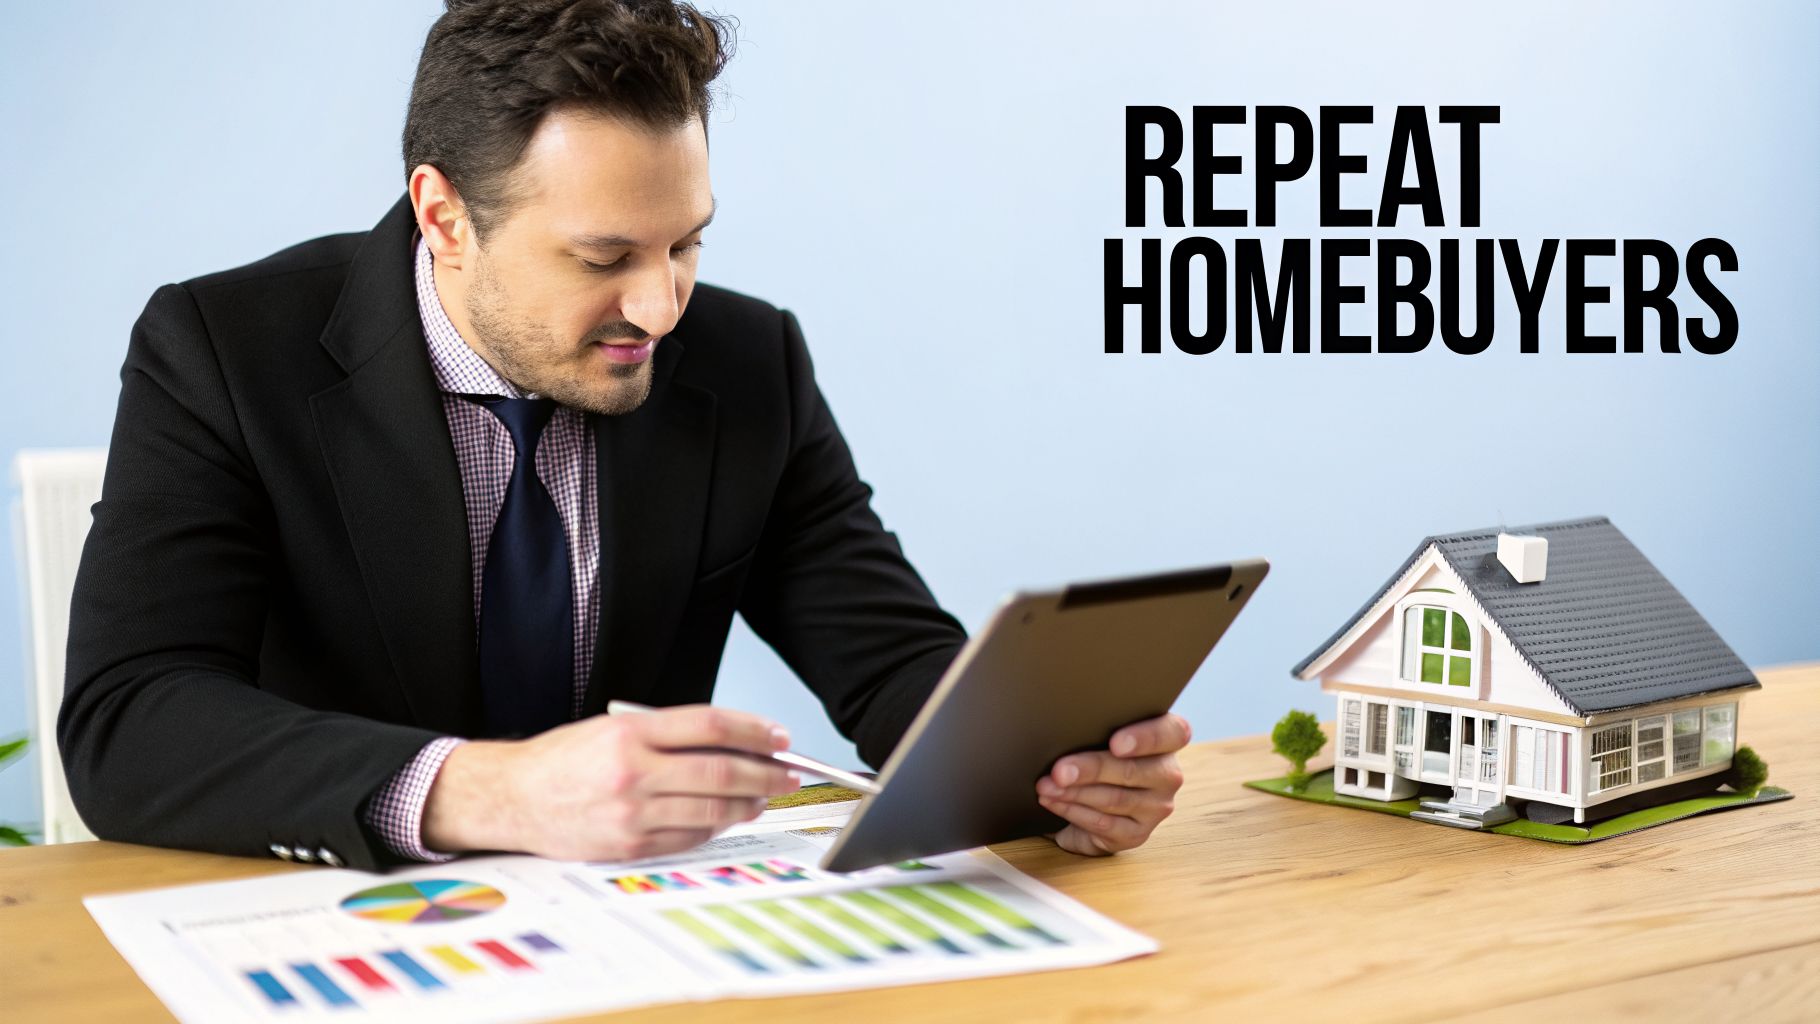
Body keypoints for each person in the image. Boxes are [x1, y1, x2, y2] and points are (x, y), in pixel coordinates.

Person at [60, 0, 1189, 872]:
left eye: (686, 243)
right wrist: (490, 790)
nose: (660, 308)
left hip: (635, 952)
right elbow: (130, 722)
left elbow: (889, 662)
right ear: (444, 215)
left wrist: (1047, 768)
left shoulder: (750, 363)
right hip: (317, 929)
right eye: (604, 259)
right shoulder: (220, 346)